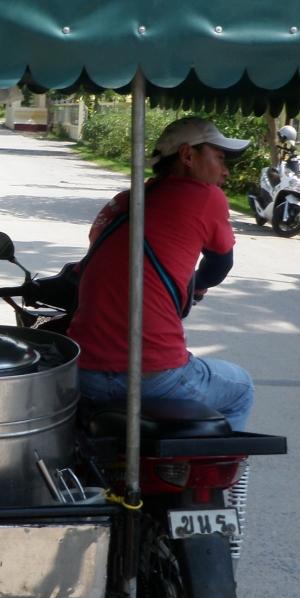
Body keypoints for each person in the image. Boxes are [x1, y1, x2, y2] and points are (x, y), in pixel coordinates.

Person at [67, 115, 255, 431]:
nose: (225, 171)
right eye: (220, 158)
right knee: (241, 388)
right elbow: (219, 265)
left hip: (82, 371)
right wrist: (197, 283)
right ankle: (215, 466)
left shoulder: (123, 202)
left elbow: (102, 255)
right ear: (187, 155)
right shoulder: (206, 196)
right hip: (154, 375)